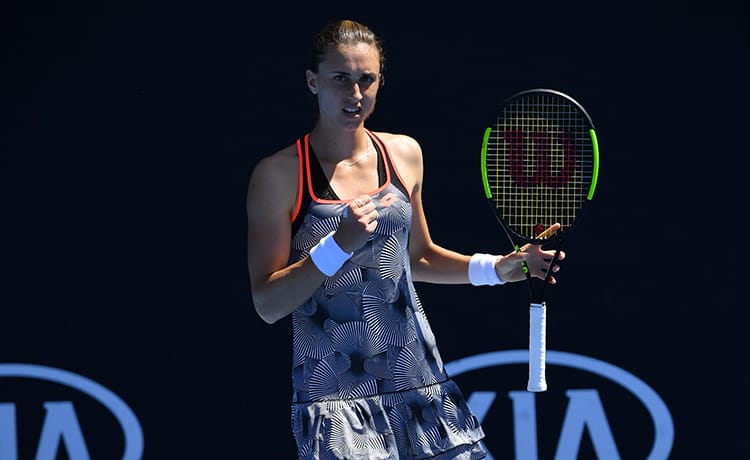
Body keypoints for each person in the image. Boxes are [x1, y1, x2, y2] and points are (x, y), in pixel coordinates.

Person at [246, 19, 564, 460]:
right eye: (341, 79)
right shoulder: (278, 175)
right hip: (335, 403)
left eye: (367, 79)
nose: (355, 94)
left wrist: (497, 268)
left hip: (421, 384)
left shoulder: (404, 154)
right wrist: (337, 245)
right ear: (312, 81)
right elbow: (268, 303)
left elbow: (417, 259)